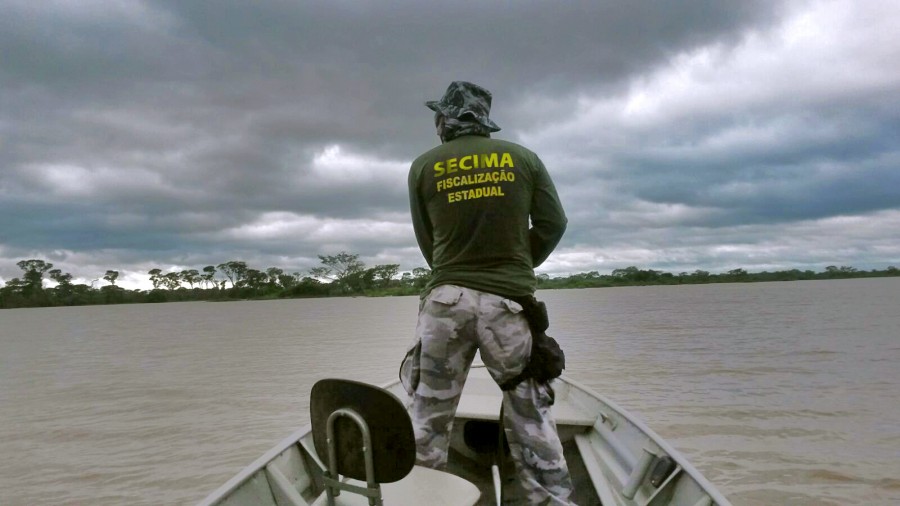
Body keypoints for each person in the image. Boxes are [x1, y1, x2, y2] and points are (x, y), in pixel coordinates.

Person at [406, 81, 574, 505]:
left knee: (428, 415)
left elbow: (428, 242)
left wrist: (454, 272)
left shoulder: (424, 166)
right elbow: (554, 224)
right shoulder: (524, 159)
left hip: (445, 303)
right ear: (483, 120)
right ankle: (551, 501)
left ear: (446, 120)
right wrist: (517, 266)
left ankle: (421, 497)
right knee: (529, 412)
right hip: (509, 305)